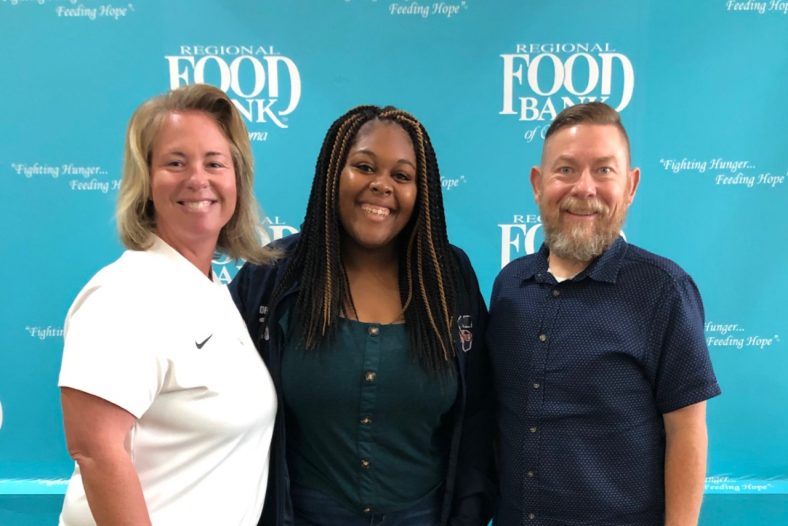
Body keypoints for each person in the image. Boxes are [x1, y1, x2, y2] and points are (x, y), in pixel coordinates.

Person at [230, 105, 495, 526]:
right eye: (364, 166)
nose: (382, 186)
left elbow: (479, 410)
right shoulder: (273, 276)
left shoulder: (449, 277)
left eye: (402, 176)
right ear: (333, 173)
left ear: (420, 190)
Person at [487, 102, 721, 525]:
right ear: (538, 184)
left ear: (631, 186)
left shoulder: (664, 291)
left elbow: (686, 431)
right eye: (566, 170)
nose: (584, 188)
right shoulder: (509, 287)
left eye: (604, 170)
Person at [58, 83, 277, 526]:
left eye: (214, 163)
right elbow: (96, 452)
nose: (198, 179)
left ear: (236, 179)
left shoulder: (213, 292)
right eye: (175, 163)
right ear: (147, 182)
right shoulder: (124, 294)